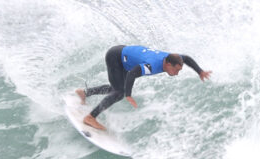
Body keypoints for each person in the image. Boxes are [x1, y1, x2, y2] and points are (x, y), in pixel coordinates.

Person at [75, 45, 211, 130]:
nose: (176, 74)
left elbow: (186, 58)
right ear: (168, 64)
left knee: (116, 87)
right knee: (119, 92)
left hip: (123, 55)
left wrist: (200, 71)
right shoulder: (152, 65)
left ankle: (85, 93)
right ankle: (90, 117)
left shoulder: (172, 58)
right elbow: (132, 74)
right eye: (176, 70)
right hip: (115, 57)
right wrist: (128, 94)